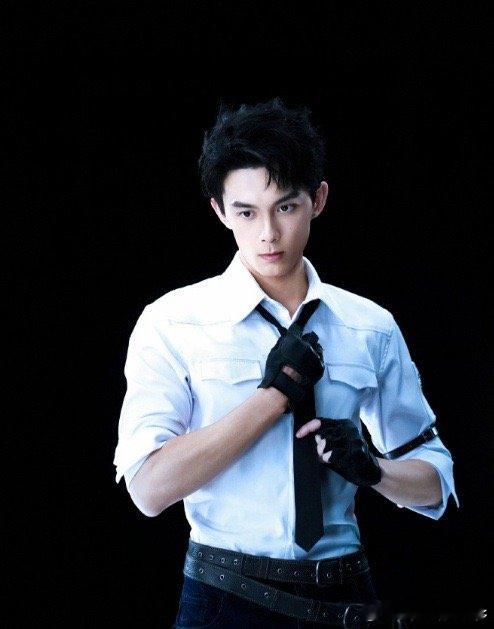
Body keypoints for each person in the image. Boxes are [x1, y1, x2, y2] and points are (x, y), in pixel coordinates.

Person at [113, 97, 459, 628]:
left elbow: (435, 483)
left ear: (318, 199)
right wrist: (272, 398)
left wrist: (374, 469)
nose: (268, 234)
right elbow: (148, 490)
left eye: (286, 207)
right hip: (224, 597)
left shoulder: (369, 326)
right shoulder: (173, 322)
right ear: (219, 211)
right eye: (246, 212)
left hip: (347, 594)